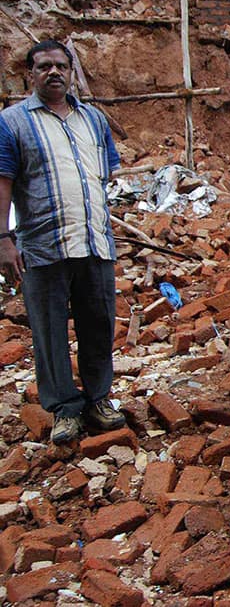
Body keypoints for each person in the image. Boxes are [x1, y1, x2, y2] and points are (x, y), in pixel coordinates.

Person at [0, 40, 125, 444]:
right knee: (49, 330)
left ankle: (98, 398)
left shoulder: (93, 120)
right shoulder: (13, 122)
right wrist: (3, 238)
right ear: (30, 74)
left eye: (60, 66)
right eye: (44, 66)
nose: (53, 72)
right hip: (43, 245)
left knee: (99, 323)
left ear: (72, 72)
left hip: (93, 242)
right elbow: (2, 182)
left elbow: (102, 177)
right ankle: (64, 410)